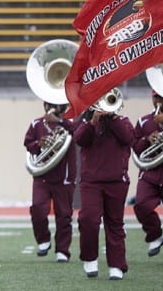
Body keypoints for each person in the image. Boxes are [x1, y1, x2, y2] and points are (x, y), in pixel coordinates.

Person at [74, 89, 133, 280]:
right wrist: (93, 121)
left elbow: (127, 138)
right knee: (88, 219)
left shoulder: (122, 122)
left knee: (115, 223)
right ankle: (90, 258)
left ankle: (116, 265)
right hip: (91, 181)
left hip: (117, 181)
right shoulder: (87, 122)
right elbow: (79, 139)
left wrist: (112, 117)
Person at [24, 102, 76, 262]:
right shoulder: (36, 123)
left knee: (64, 215)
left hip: (64, 178)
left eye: (54, 103)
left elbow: (79, 132)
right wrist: (38, 144)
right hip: (42, 175)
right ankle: (43, 239)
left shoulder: (70, 123)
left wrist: (60, 121)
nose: (50, 106)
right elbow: (28, 144)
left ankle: (62, 250)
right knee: (38, 209)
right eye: (48, 103)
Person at [132, 90, 163, 257]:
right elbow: (135, 147)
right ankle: (155, 235)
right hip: (150, 172)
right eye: (155, 97)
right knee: (141, 205)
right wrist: (147, 140)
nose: (158, 101)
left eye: (161, 97)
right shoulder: (143, 121)